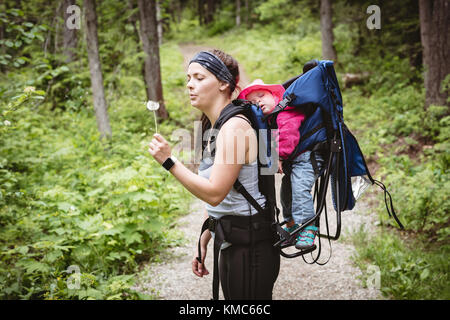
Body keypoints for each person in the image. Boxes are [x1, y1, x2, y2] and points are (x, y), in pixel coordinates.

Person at [148, 49, 280, 300]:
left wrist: (169, 162)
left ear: (223, 83)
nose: (190, 84)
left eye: (199, 77)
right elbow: (225, 193)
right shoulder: (215, 125)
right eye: (188, 78)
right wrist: (204, 238)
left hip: (251, 247)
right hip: (233, 241)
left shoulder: (235, 127)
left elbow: (215, 193)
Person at [238, 77, 324, 250]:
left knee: (299, 189)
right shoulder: (271, 118)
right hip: (295, 162)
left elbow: (288, 136)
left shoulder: (285, 112)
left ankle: (307, 228)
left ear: (274, 95)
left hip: (307, 159)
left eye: (261, 95)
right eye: (253, 102)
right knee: (286, 193)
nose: (258, 102)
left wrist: (280, 157)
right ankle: (293, 227)